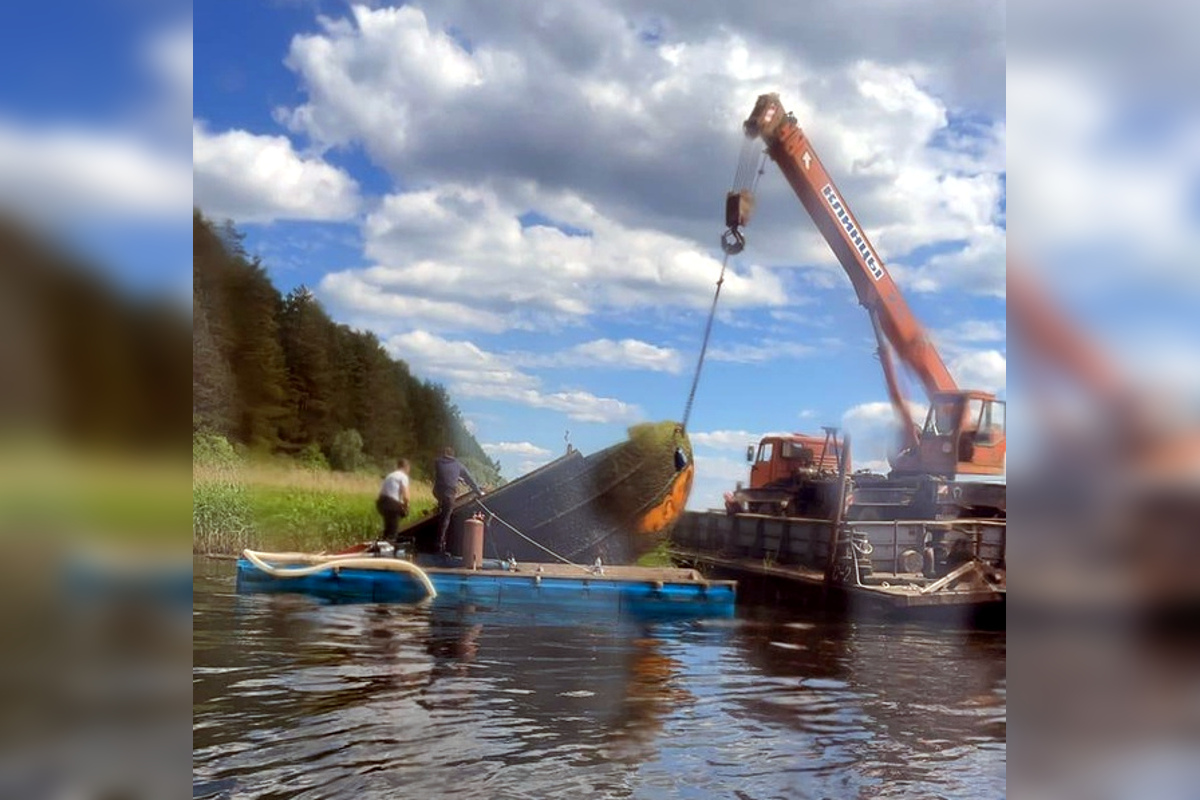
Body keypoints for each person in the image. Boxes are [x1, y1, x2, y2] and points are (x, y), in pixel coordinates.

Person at [433, 447, 483, 556]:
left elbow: (445, 473)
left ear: (444, 453)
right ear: (453, 455)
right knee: (445, 519)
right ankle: (439, 545)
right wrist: (478, 492)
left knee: (442, 504)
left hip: (437, 492)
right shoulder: (458, 465)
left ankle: (439, 505)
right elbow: (470, 479)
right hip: (449, 494)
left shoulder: (437, 462)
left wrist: (457, 477)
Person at [376, 459, 411, 545]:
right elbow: (406, 496)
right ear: (406, 467)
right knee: (393, 533)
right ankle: (389, 550)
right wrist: (406, 507)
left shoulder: (390, 475)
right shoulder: (403, 476)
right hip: (391, 504)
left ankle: (382, 544)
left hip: (381, 502)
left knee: (388, 528)